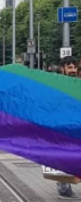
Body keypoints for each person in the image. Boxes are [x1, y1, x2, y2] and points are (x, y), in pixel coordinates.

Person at [56, 56, 78, 199]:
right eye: (70, 67)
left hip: (76, 127)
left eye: (75, 67)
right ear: (62, 68)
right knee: (64, 156)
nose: (73, 70)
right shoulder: (56, 84)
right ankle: (63, 186)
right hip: (62, 128)